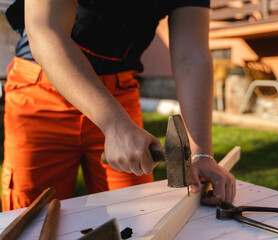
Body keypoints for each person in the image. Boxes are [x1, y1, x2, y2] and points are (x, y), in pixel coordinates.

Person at [1, 0, 236, 211]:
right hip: (44, 86)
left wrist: (200, 153)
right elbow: (45, 30)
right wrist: (114, 124)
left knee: (134, 217)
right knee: (31, 218)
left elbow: (191, 56)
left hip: (119, 91)